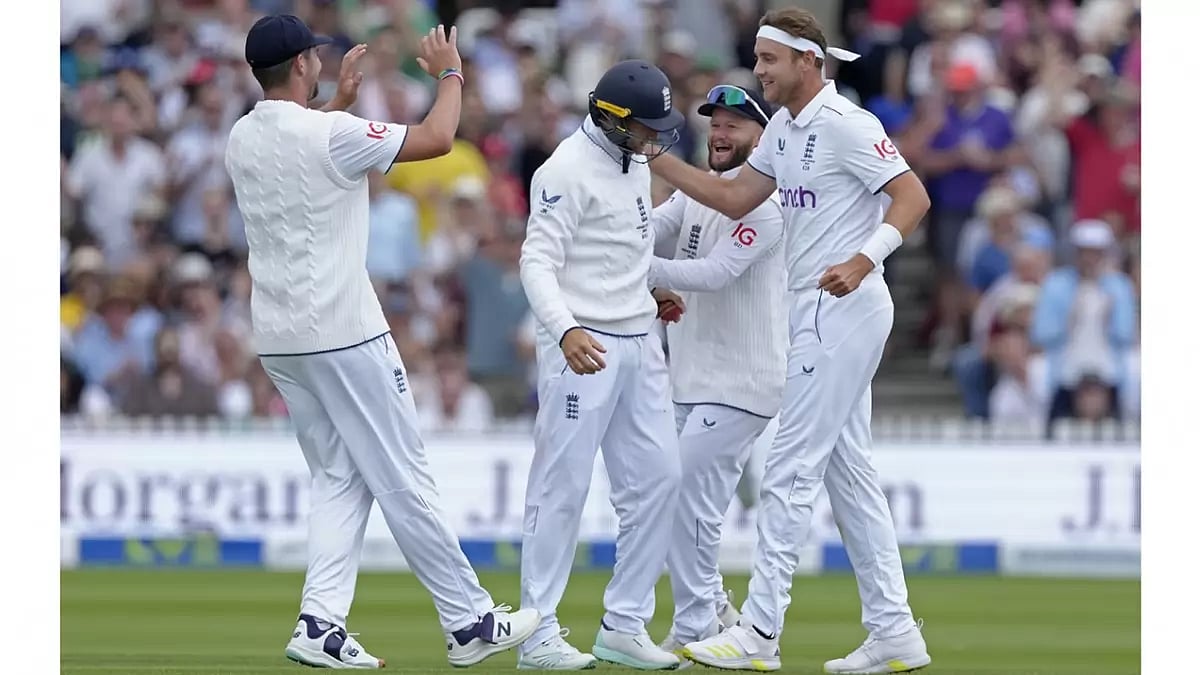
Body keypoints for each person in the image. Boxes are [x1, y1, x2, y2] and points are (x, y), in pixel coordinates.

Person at [223, 15, 537, 670]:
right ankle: (470, 619)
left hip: (282, 339)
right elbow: (438, 136)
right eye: (314, 57)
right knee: (403, 473)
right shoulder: (331, 134)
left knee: (343, 476)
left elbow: (305, 159)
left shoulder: (241, 138)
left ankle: (320, 623)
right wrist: (451, 72)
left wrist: (337, 105)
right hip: (344, 331)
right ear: (305, 66)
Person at [648, 8, 933, 673]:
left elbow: (912, 196)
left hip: (845, 303)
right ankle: (893, 627)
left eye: (770, 60)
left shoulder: (847, 126)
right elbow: (732, 198)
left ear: (810, 61)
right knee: (849, 474)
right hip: (812, 305)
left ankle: (759, 632)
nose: (760, 71)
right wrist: (657, 156)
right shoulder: (781, 132)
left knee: (789, 469)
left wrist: (866, 257)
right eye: (758, 58)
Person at [517, 59, 687, 671]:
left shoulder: (635, 161)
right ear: (611, 119)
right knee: (561, 486)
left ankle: (624, 624)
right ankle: (537, 633)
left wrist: (650, 292)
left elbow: (628, 245)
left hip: (640, 339)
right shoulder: (563, 170)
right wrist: (564, 330)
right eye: (645, 126)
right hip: (583, 345)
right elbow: (537, 262)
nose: (654, 137)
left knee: (661, 478)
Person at [645, 84, 787, 661]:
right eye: (716, 125)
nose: (721, 135)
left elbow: (716, 272)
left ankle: (697, 620)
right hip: (692, 374)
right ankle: (706, 612)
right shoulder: (700, 194)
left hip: (744, 381)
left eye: (736, 126)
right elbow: (653, 227)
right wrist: (610, 236)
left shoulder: (768, 204)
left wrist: (633, 265)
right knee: (671, 496)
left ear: (764, 137)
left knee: (688, 499)